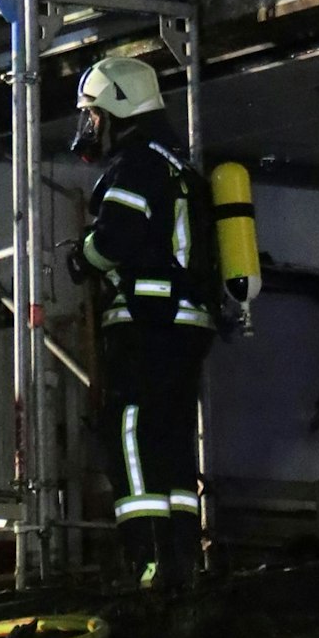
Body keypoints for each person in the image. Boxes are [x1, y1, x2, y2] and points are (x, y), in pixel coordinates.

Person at [69, 52, 217, 593]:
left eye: (94, 114)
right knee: (171, 436)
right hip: (188, 324)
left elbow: (115, 240)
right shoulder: (180, 165)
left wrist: (82, 257)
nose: (90, 126)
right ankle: (182, 558)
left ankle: (147, 561)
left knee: (128, 427)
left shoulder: (134, 167)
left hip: (146, 320)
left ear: (118, 111)